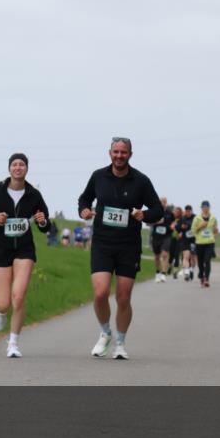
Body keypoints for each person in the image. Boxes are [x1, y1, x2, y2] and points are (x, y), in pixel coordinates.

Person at [78, 137, 163, 360]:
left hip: (128, 245)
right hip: (103, 243)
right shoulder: (98, 176)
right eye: (115, 152)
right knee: (100, 293)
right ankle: (105, 333)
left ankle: (120, 343)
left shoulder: (141, 181)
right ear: (109, 153)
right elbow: (84, 199)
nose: (119, 156)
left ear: (130, 155)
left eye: (123, 152)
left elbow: (157, 210)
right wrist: (84, 210)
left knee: (123, 297)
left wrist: (144, 214)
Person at [0, 153, 50, 358]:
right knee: (4, 302)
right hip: (0, 249)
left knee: (18, 297)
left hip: (24, 250)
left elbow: (46, 225)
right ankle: (0, 311)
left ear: (27, 169)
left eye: (22, 165)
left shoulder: (34, 194)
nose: (18, 168)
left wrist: (42, 221)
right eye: (15, 165)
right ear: (9, 169)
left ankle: (13, 343)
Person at [191, 200, 219, 288]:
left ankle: (206, 279)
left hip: (210, 242)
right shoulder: (197, 218)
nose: (205, 209)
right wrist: (200, 226)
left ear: (209, 208)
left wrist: (215, 234)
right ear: (201, 208)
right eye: (203, 207)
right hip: (199, 242)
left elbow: (215, 229)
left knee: (207, 260)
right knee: (200, 262)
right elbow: (193, 230)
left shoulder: (213, 218)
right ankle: (202, 277)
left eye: (207, 207)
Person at [149, 197, 172, 282]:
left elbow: (175, 222)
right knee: (157, 257)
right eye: (161, 202)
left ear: (166, 203)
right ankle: (158, 272)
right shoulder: (154, 212)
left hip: (166, 237)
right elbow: (148, 223)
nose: (162, 203)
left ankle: (163, 274)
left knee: (164, 254)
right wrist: (156, 222)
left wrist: (173, 226)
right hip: (156, 237)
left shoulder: (169, 213)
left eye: (164, 202)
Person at [168, 205, 183, 277]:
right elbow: (169, 227)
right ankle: (170, 266)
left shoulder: (182, 220)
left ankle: (175, 271)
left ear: (180, 213)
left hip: (179, 239)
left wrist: (181, 232)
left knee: (177, 255)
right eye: (175, 211)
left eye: (177, 212)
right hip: (171, 238)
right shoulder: (171, 219)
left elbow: (183, 228)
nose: (176, 213)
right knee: (171, 255)